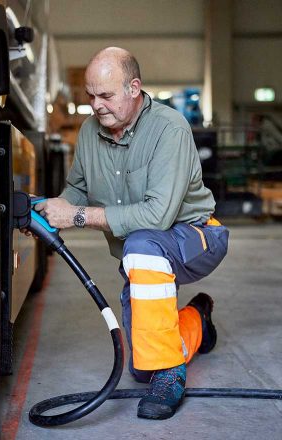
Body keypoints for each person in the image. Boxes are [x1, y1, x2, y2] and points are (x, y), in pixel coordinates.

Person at [34, 47, 229, 420]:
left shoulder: (169, 129)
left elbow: (157, 216)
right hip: (144, 253)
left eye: (105, 96)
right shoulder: (91, 132)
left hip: (198, 236)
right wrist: (49, 212)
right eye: (90, 96)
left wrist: (75, 217)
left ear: (134, 88)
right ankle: (197, 321)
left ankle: (172, 372)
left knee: (141, 244)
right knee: (143, 365)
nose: (95, 105)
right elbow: (77, 189)